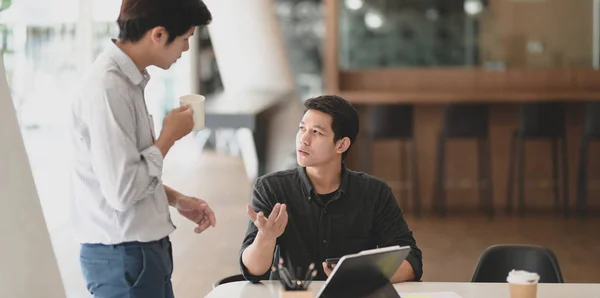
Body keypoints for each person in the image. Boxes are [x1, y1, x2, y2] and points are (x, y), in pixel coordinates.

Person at [69, 1, 215, 297]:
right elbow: (122, 192)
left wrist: (176, 199)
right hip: (123, 256)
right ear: (159, 34)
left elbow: (125, 173)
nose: (186, 49)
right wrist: (168, 138)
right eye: (186, 38)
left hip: (141, 253)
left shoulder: (127, 82)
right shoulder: (109, 89)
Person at [239, 95, 423, 283]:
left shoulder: (375, 193)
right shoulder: (271, 188)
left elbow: (411, 260)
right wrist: (266, 237)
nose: (304, 139)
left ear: (341, 144)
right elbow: (253, 271)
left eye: (316, 132)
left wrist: (362, 277)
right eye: (302, 128)